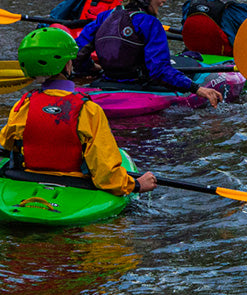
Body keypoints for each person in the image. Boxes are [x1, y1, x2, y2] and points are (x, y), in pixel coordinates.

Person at [0, 28, 155, 195]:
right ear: (67, 65)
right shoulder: (88, 109)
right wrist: (136, 185)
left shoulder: (23, 105)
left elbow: (8, 144)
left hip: (27, 178)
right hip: (75, 185)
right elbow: (105, 172)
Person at [73, 0, 222, 105]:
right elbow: (159, 70)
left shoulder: (104, 17)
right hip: (140, 88)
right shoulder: (150, 23)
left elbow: (78, 53)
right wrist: (196, 88)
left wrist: (90, 68)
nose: (164, 0)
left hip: (105, 83)